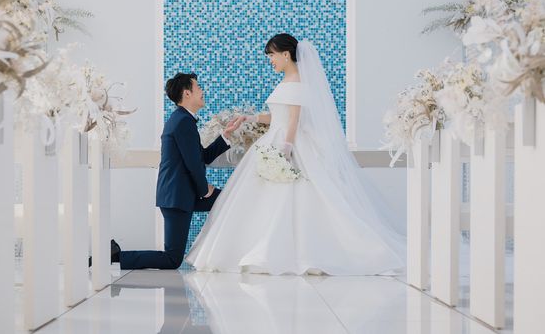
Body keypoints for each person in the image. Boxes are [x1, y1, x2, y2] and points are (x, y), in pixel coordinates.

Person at [186, 34, 406, 275]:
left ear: (286, 54)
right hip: (276, 138)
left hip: (287, 143)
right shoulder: (286, 81)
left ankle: (290, 253)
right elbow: (278, 117)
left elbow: (294, 120)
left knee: (296, 196)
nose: (270, 60)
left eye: (272, 55)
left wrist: (286, 149)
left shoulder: (298, 82)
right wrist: (250, 118)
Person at [115, 72, 243, 270]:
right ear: (187, 93)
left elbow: (202, 157)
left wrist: (225, 135)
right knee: (172, 259)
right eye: (198, 87)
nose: (202, 91)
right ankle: (115, 257)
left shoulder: (183, 119)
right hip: (176, 197)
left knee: (227, 200)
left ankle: (228, 252)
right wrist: (204, 189)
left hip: (182, 194)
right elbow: (194, 164)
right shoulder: (183, 121)